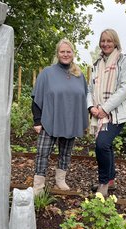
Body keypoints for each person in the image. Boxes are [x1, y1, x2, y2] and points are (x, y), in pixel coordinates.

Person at [31, 38, 88, 195]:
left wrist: (82, 119)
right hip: (49, 120)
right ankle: (38, 186)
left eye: (68, 51)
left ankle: (60, 181)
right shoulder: (47, 73)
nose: (65, 54)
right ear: (57, 53)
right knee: (42, 152)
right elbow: (36, 97)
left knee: (65, 153)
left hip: (70, 121)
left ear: (73, 54)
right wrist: (37, 121)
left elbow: (84, 98)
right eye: (62, 51)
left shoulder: (79, 75)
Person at [87, 28, 126, 197]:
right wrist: (91, 107)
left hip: (116, 113)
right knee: (105, 145)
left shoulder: (124, 61)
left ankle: (103, 183)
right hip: (99, 112)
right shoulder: (96, 64)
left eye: (109, 41)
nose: (105, 44)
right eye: (103, 41)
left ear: (115, 42)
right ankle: (110, 181)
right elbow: (89, 89)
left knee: (101, 144)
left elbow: (125, 88)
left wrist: (104, 108)